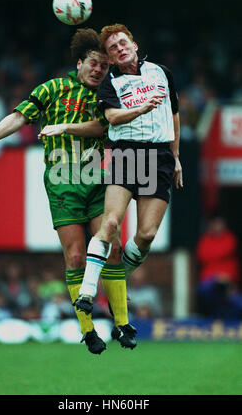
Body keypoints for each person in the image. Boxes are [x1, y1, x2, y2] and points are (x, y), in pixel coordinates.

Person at [0, 28, 132, 354]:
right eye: (94, 64)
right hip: (62, 182)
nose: (99, 70)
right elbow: (20, 116)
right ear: (79, 63)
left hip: (97, 178)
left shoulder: (106, 93)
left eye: (104, 65)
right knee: (75, 256)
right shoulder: (54, 88)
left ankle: (122, 323)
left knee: (112, 246)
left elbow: (104, 126)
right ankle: (88, 332)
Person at [75, 24, 183, 341]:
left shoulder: (161, 72)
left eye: (123, 43)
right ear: (109, 56)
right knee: (109, 223)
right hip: (126, 154)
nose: (120, 48)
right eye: (113, 48)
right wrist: (139, 108)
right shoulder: (110, 82)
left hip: (160, 156)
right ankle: (87, 292)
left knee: (146, 235)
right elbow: (111, 118)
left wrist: (176, 156)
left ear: (134, 44)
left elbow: (173, 113)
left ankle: (117, 280)